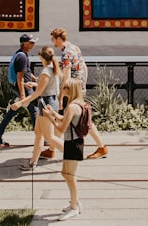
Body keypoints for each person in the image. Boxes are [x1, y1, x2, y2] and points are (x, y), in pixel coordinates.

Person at [51, 28, 108, 159]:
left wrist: (61, 96)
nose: (52, 42)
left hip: (71, 91)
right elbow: (84, 67)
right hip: (79, 88)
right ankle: (101, 147)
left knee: (69, 118)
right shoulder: (75, 48)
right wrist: (83, 86)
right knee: (84, 117)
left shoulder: (65, 54)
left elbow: (66, 77)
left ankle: (51, 149)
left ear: (59, 39)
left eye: (53, 39)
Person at [41, 77, 88, 221]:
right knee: (65, 174)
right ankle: (75, 202)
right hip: (72, 142)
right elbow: (65, 120)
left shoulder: (73, 107)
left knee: (70, 176)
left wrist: (49, 118)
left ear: (71, 90)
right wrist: (54, 114)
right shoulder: (76, 104)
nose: (63, 90)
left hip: (73, 144)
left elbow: (60, 129)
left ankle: (74, 207)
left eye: (65, 88)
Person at [10, 45, 62, 170]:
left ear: (41, 57)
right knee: (39, 133)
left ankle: (72, 154)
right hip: (49, 102)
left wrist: (20, 103)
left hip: (46, 104)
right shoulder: (52, 68)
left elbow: (37, 94)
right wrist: (35, 83)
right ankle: (33, 162)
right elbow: (45, 87)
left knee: (49, 136)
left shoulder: (46, 72)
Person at [0, 34, 38, 148]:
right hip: (24, 88)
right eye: (31, 42)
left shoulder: (19, 54)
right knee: (34, 110)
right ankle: (42, 138)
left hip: (20, 87)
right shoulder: (22, 57)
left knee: (12, 110)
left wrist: (36, 79)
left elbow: (25, 71)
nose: (33, 44)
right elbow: (20, 76)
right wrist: (22, 94)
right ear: (24, 43)